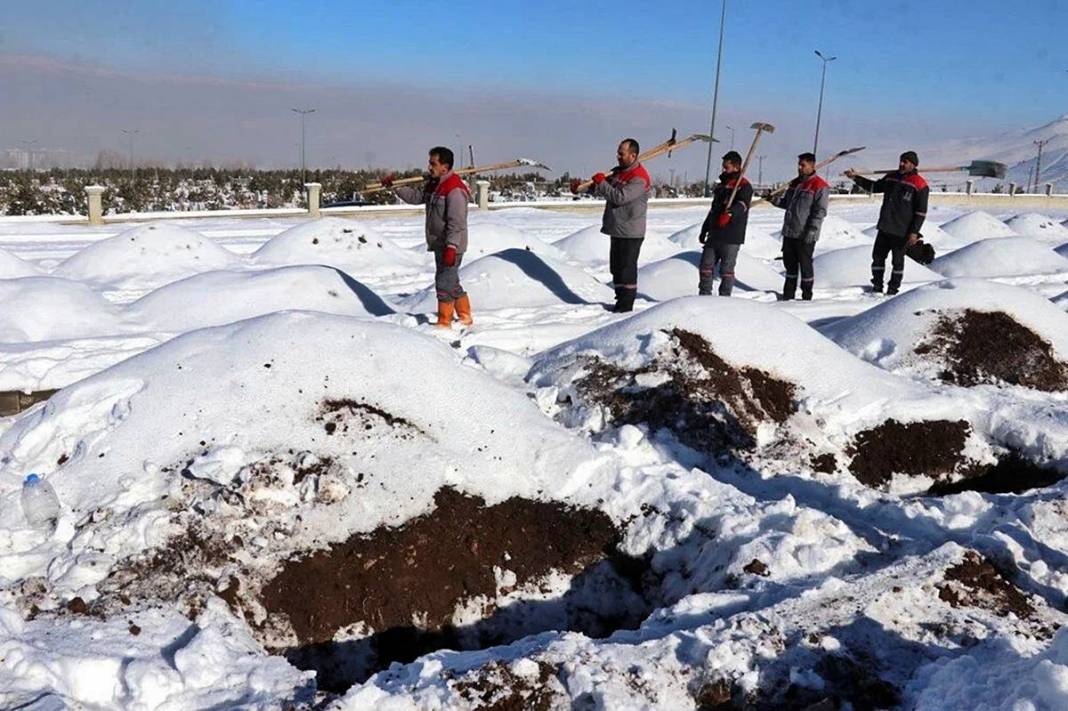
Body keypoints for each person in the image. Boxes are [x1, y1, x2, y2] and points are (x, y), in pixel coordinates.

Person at [382, 147, 472, 327]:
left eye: (433, 163)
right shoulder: (434, 184)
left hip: (451, 246)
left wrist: (451, 246)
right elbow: (416, 197)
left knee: (443, 283)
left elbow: (457, 223)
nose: (429, 167)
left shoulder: (454, 189)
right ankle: (465, 316)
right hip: (440, 244)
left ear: (444, 167)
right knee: (451, 281)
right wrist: (396, 187)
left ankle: (444, 322)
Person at [570, 138, 651, 313]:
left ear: (633, 155)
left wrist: (602, 183)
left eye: (622, 154)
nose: (618, 156)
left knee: (626, 270)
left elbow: (619, 197)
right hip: (617, 228)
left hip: (631, 231)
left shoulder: (639, 178)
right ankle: (619, 300)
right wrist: (581, 188)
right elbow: (601, 189)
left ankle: (625, 308)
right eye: (618, 153)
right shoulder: (618, 172)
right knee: (616, 269)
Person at [844, 151, 929, 295]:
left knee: (897, 262)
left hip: (902, 231)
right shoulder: (891, 177)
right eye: (901, 161)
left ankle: (892, 290)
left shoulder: (920, 185)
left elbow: (921, 212)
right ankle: (877, 286)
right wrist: (855, 178)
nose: (901, 164)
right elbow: (874, 187)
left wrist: (914, 232)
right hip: (885, 226)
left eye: (905, 162)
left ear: (913, 164)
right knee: (877, 257)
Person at [768, 152, 829, 300]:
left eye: (803, 165)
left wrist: (812, 230)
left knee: (805, 266)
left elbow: (820, 211)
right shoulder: (795, 184)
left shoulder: (819, 185)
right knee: (790, 266)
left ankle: (806, 297)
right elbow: (787, 204)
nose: (799, 168)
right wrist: (773, 200)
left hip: (805, 234)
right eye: (799, 165)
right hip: (790, 232)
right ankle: (788, 296)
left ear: (812, 165)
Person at [698, 151, 752, 296]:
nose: (723, 170)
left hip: (731, 236)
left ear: (736, 167)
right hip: (715, 233)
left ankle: (724, 299)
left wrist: (730, 213)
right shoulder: (722, 186)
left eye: (726, 167)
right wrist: (705, 228)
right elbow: (713, 209)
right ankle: (704, 296)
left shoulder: (744, 186)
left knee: (726, 270)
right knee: (705, 266)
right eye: (723, 166)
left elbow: (743, 205)